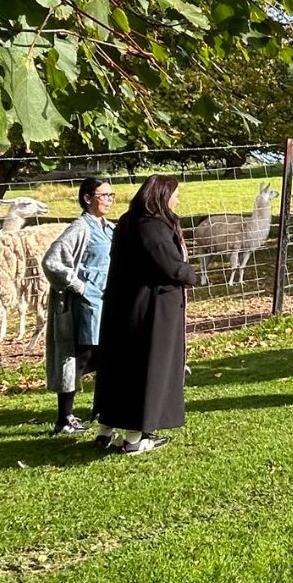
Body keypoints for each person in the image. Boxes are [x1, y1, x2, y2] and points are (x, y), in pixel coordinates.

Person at [91, 174, 199, 452]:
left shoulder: (128, 222)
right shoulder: (152, 226)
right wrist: (191, 275)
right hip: (152, 309)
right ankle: (136, 438)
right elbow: (170, 265)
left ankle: (106, 429)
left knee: (122, 367)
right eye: (175, 193)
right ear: (162, 196)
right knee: (148, 367)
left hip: (123, 306)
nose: (178, 199)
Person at [41, 176, 115, 435]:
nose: (108, 200)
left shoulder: (108, 227)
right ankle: (64, 417)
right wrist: (79, 286)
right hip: (87, 306)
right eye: (103, 195)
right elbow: (52, 262)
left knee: (105, 357)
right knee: (79, 358)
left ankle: (101, 409)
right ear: (87, 198)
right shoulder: (80, 228)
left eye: (110, 195)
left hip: (106, 302)